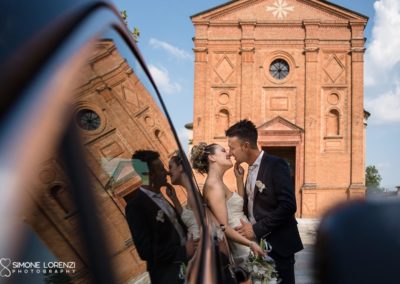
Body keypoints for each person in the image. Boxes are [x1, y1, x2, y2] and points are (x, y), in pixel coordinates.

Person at [226, 120, 303, 284]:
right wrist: (240, 180)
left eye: (232, 148)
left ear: (245, 145)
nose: (230, 153)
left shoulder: (276, 164)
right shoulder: (249, 170)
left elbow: (288, 206)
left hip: (280, 246)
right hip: (258, 247)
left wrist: (256, 229)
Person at [125, 150, 197, 284]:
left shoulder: (162, 196)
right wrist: (183, 252)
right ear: (150, 175)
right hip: (171, 275)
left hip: (191, 265)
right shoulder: (136, 206)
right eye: (161, 170)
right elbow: (145, 251)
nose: (167, 173)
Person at [190, 142, 265, 264]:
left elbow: (236, 207)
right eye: (223, 151)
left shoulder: (218, 182)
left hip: (246, 239)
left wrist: (239, 179)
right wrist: (250, 244)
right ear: (212, 157)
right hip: (242, 246)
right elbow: (224, 227)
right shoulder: (213, 186)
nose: (229, 153)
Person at [167, 154, 200, 241]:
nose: (168, 172)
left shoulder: (193, 195)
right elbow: (190, 218)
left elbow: (203, 229)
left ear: (180, 167)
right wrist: (174, 199)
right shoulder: (191, 193)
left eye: (170, 167)